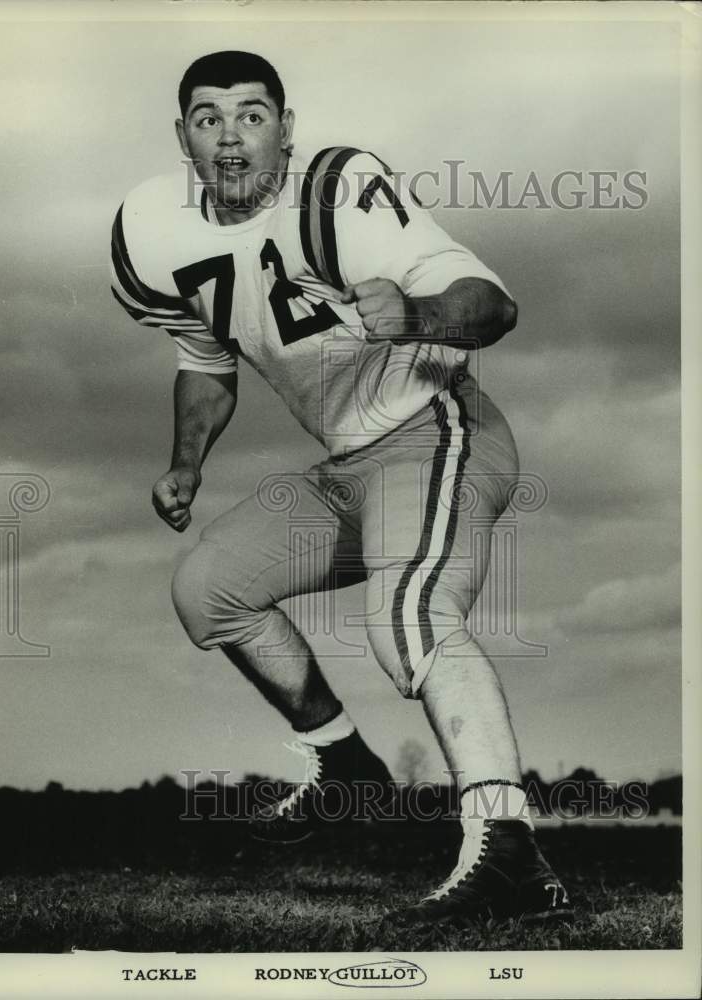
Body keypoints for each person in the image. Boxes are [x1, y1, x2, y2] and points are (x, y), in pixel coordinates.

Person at [110, 50, 571, 926]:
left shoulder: (338, 190)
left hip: (438, 430)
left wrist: (422, 315)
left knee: (410, 619)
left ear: (287, 128)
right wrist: (186, 462)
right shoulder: (150, 233)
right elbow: (207, 356)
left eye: (252, 114)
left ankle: (508, 847)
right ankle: (346, 769)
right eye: (208, 118)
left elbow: (494, 304)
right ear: (183, 138)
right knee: (208, 589)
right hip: (347, 468)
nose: (231, 136)